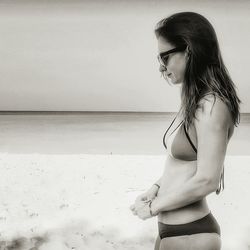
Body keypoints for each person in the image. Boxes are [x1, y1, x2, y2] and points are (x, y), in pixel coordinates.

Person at [130, 12, 241, 250]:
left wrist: (154, 208)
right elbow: (182, 167)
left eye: (166, 57)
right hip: (173, 232)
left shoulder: (213, 105)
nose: (162, 68)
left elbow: (207, 180)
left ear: (189, 50)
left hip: (193, 235)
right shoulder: (196, 101)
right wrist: (154, 189)